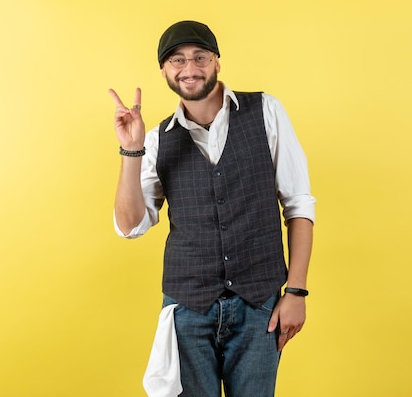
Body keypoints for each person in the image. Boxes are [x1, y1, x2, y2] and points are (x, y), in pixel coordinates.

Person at [109, 20, 315, 397]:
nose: (190, 69)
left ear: (217, 62)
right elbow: (130, 226)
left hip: (260, 307)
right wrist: (131, 150)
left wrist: (296, 292)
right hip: (188, 309)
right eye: (177, 60)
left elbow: (298, 205)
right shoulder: (156, 139)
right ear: (164, 71)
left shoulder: (265, 110)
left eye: (200, 57)